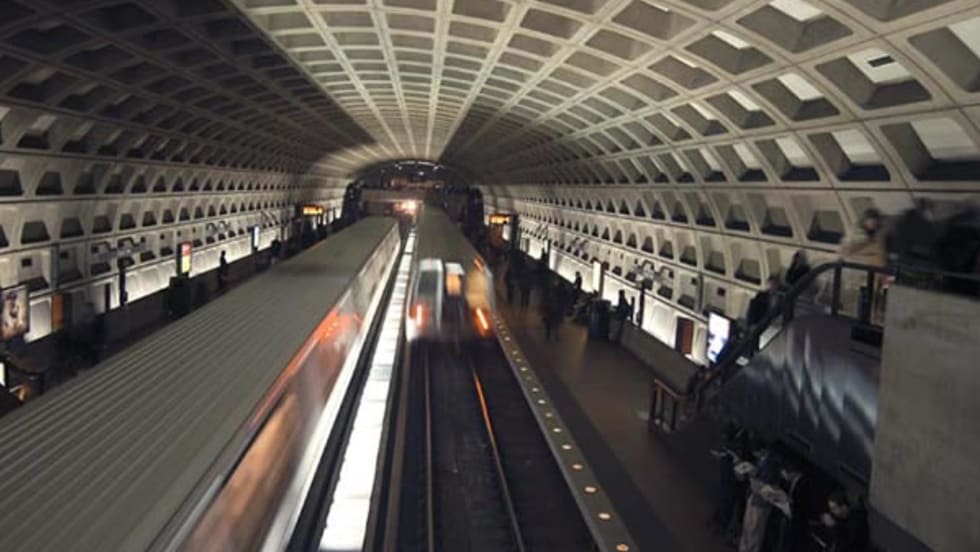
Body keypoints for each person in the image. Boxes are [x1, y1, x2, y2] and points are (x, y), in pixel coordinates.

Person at [840, 208, 888, 324]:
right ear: (865, 221)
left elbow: (880, 255)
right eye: (872, 221)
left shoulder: (878, 235)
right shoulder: (856, 234)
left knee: (873, 306)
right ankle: (860, 324)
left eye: (875, 221)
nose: (874, 223)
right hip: (860, 276)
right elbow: (845, 251)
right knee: (859, 306)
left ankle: (871, 323)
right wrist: (865, 242)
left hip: (875, 275)